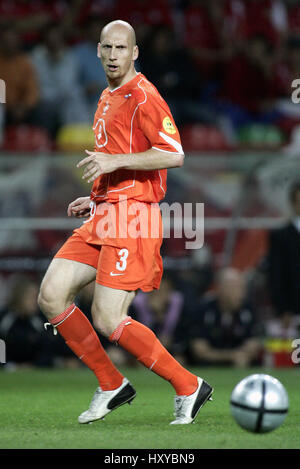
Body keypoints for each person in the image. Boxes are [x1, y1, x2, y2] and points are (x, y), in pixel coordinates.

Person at [38, 20, 213, 426]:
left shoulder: (144, 96)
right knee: (51, 295)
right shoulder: (106, 95)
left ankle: (189, 385)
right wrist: (97, 194)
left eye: (122, 48)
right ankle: (111, 383)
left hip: (134, 217)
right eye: (107, 48)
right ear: (98, 51)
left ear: (135, 53)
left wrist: (114, 164)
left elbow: (174, 153)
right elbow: (116, 157)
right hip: (106, 212)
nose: (114, 55)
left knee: (108, 318)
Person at [189, 268, 261, 367]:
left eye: (242, 288)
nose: (242, 294)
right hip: (208, 370)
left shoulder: (248, 310)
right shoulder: (203, 310)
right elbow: (199, 350)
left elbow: (254, 345)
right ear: (221, 289)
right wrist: (232, 356)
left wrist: (247, 352)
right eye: (236, 288)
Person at [267, 181, 300, 329]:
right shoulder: (281, 236)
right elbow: (276, 275)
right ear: (293, 204)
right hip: (293, 310)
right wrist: (283, 309)